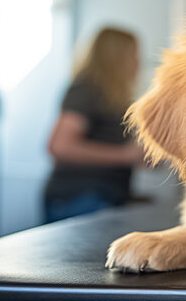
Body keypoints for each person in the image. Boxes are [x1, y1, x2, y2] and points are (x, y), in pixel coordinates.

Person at [43, 28, 143, 223]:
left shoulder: (113, 98)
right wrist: (125, 155)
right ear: (116, 59)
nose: (138, 62)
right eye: (133, 54)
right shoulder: (86, 91)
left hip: (104, 196)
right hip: (78, 197)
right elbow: (60, 146)